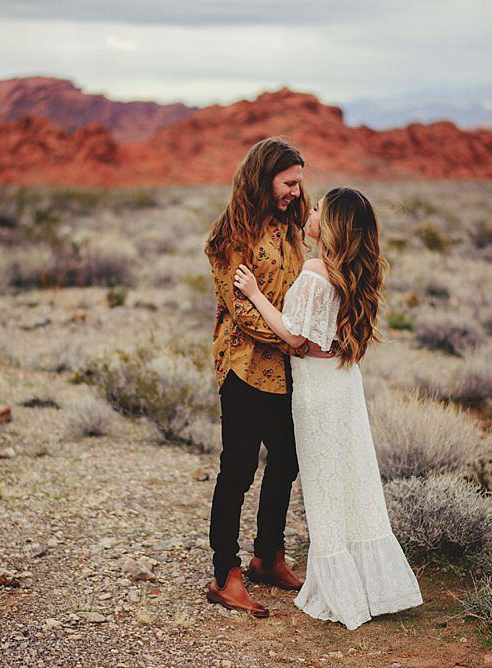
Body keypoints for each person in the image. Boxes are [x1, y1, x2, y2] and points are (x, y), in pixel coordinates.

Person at [233, 186, 423, 630]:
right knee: (352, 477)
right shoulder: (353, 270)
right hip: (344, 382)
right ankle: (368, 582)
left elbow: (295, 336)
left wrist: (255, 292)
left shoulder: (316, 272)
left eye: (317, 208)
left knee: (324, 483)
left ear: (331, 223)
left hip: (317, 390)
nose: (310, 211)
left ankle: (340, 588)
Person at [204, 137, 332, 618]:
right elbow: (243, 315)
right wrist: (297, 339)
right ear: (265, 179)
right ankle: (225, 574)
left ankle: (267, 555)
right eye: (289, 183)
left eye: (301, 184)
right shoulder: (228, 236)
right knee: (237, 469)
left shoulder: (291, 227)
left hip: (286, 371)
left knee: (287, 459)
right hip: (243, 368)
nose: (297, 193)